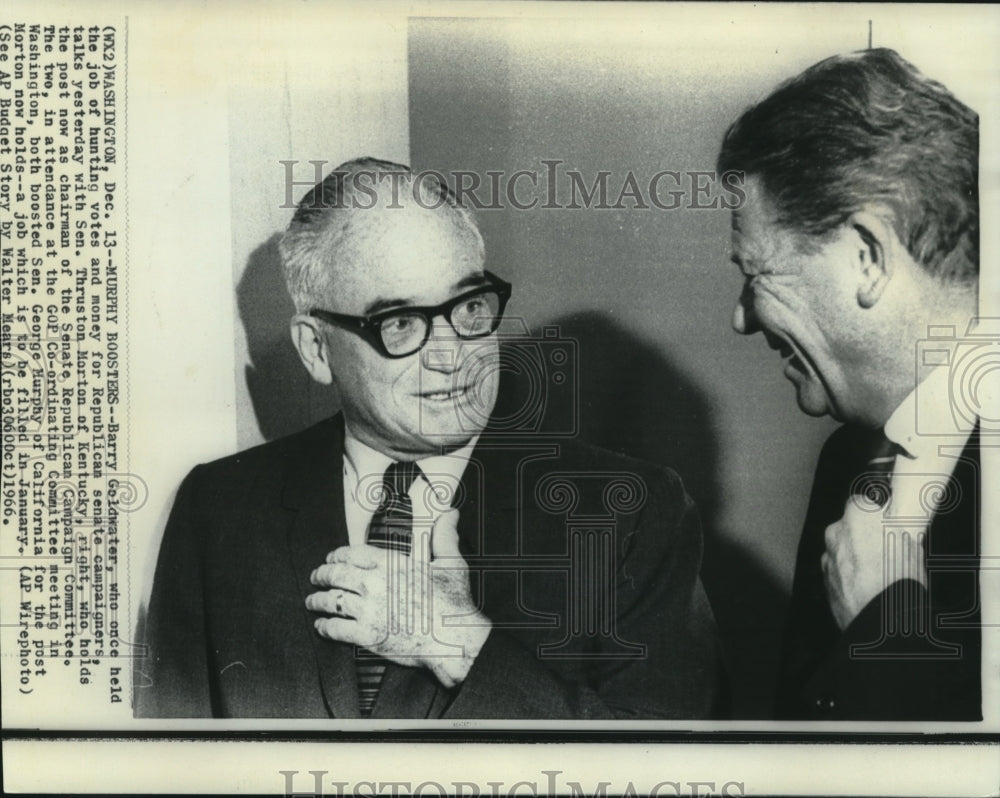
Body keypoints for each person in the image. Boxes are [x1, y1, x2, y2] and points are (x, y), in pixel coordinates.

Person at [135, 157, 724, 719]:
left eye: (468, 306)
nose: (451, 356)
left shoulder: (632, 514)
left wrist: (462, 645)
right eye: (399, 322)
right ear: (317, 349)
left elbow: (662, 768)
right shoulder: (220, 510)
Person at [717, 49, 982, 720]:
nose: (741, 317)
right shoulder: (853, 462)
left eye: (758, 272)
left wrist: (890, 639)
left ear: (866, 257)